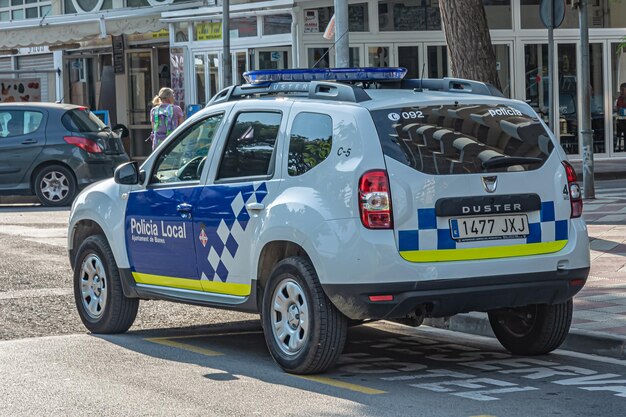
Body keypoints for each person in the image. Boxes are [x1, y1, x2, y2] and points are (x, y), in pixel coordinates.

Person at [615, 83, 626, 152]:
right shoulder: (619, 98)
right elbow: (617, 108)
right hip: (621, 120)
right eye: (620, 90)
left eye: (622, 90)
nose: (621, 92)